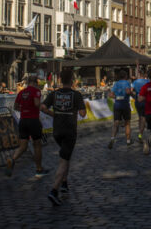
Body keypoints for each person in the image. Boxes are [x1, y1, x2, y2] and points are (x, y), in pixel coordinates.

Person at [42, 69, 86, 206]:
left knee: (65, 156)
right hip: (69, 131)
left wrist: (53, 114)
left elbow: (42, 107)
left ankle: (64, 183)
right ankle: (54, 190)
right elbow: (83, 113)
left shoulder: (54, 94)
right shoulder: (76, 95)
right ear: (72, 81)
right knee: (63, 160)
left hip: (57, 131)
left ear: (60, 80)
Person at [8, 76, 48, 176]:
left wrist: (25, 109)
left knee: (23, 146)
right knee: (37, 145)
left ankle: (12, 159)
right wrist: (42, 107)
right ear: (34, 83)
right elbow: (36, 103)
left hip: (23, 120)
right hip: (33, 120)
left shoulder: (22, 92)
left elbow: (15, 106)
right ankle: (39, 169)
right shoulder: (36, 91)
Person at [108, 69, 133, 148]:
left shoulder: (116, 84)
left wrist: (117, 96)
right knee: (127, 123)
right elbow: (128, 92)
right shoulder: (127, 83)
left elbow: (110, 95)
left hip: (117, 105)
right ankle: (128, 141)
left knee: (116, 123)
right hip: (125, 104)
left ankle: (112, 138)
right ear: (125, 76)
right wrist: (132, 93)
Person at [132, 67, 149, 143]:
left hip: (137, 101)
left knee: (140, 117)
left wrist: (135, 96)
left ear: (139, 74)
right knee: (144, 118)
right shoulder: (147, 81)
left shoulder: (135, 82)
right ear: (144, 74)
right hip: (145, 101)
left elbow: (131, 91)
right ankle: (140, 134)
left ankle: (140, 130)